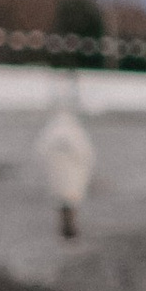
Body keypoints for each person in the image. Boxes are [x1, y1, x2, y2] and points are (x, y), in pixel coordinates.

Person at [36, 98, 96, 240]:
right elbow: (86, 153)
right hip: (72, 175)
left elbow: (41, 151)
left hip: (58, 175)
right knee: (71, 202)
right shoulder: (75, 132)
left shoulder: (52, 131)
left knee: (62, 203)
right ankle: (70, 230)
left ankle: (65, 230)